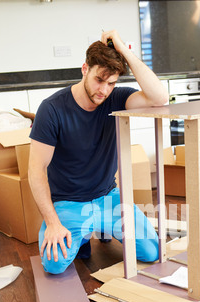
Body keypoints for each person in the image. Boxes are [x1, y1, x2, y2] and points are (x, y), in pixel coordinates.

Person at [28, 29, 169, 274]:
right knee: (54, 265)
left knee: (152, 252)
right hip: (68, 203)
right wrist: (53, 223)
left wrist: (123, 50)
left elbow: (160, 97)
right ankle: (82, 235)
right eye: (99, 80)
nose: (104, 90)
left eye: (111, 83)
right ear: (85, 69)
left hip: (108, 198)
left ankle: (98, 228)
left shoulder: (117, 99)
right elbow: (36, 170)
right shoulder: (51, 109)